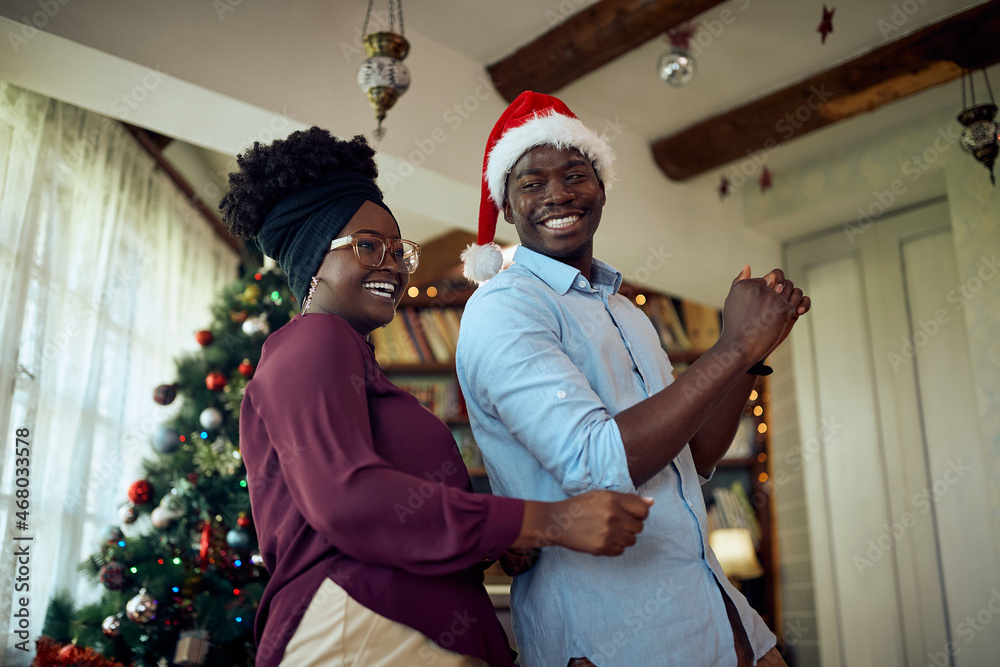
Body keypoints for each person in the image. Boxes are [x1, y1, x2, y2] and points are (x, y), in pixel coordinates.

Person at [219, 127, 653, 667]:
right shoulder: (314, 339)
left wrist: (493, 545)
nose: (394, 265)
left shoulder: (353, 364)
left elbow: (391, 515)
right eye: (367, 246)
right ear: (312, 258)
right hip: (361, 628)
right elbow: (347, 500)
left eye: (399, 250)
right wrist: (546, 520)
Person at [455, 92, 811, 667]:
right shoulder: (505, 307)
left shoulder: (626, 312)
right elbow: (596, 465)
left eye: (576, 173)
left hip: (715, 609)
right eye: (531, 182)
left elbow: (691, 459)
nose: (558, 194)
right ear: (506, 204)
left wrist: (751, 355)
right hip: (611, 631)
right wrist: (734, 343)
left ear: (600, 187)